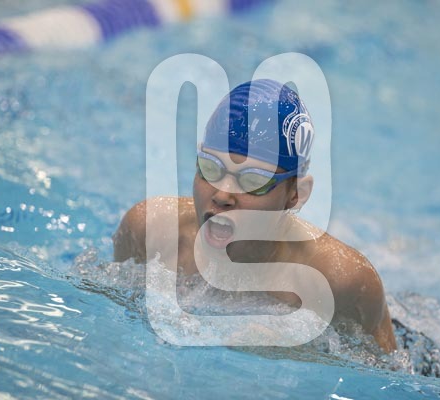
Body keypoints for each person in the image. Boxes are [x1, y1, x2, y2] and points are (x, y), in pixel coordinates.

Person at [113, 79, 397, 352]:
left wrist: (295, 351)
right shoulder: (150, 230)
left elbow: (388, 374)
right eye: (210, 169)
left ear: (296, 194)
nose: (222, 195)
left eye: (252, 181)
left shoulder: (338, 280)